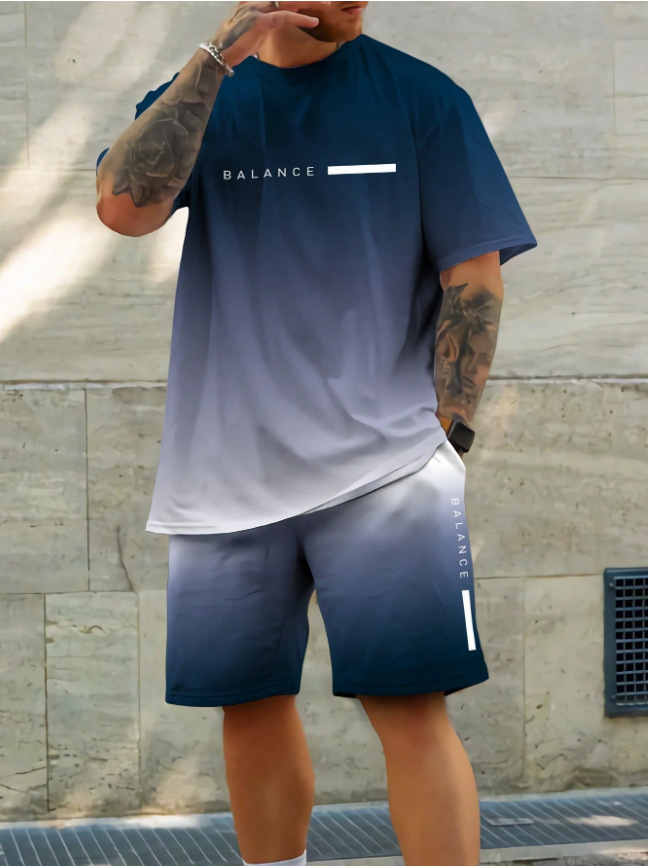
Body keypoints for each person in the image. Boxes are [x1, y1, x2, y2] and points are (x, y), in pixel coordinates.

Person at [95, 3, 537, 865]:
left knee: (411, 708)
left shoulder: (423, 99)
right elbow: (122, 209)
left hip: (386, 473)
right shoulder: (204, 93)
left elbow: (474, 276)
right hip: (223, 476)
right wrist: (219, 54)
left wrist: (449, 434)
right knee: (248, 705)